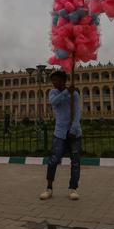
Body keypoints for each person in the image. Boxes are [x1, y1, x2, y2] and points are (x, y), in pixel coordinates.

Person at [39, 70, 82, 201]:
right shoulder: (53, 93)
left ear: (64, 80)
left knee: (75, 161)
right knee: (53, 160)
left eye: (56, 80)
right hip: (59, 132)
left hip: (74, 133)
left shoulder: (74, 94)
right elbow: (54, 103)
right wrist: (66, 92)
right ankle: (49, 188)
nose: (54, 83)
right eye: (53, 80)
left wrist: (74, 129)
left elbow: (78, 112)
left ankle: (73, 188)